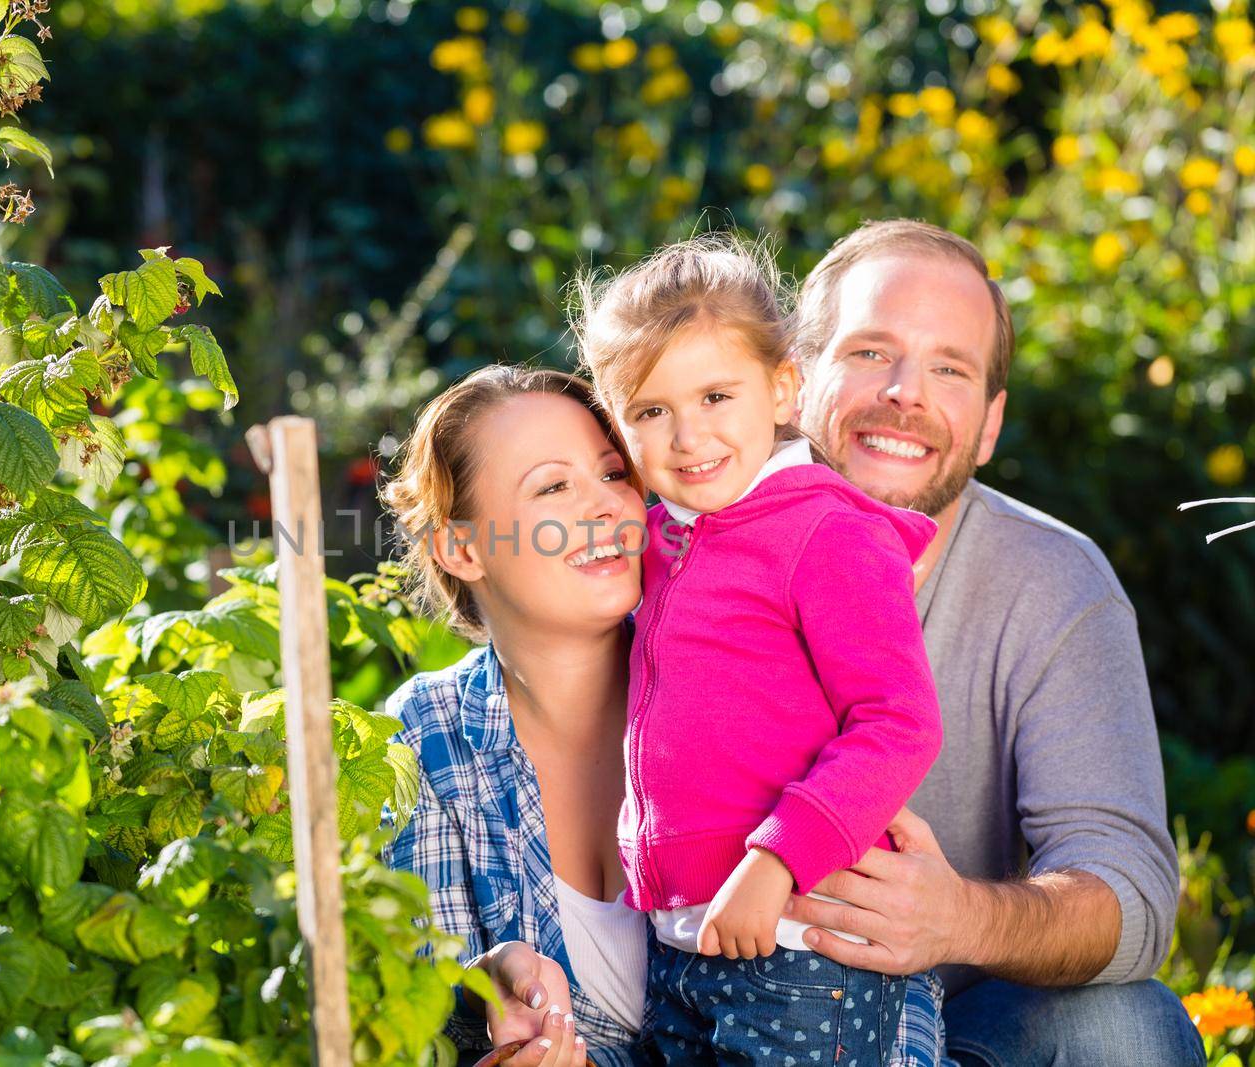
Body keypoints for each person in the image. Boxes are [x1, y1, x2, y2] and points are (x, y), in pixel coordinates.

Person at [786, 219, 1204, 1067]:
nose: (906, 392)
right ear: (794, 380)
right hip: (699, 1017)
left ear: (988, 425)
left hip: (947, 1035)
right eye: (871, 351)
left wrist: (953, 917)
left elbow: (1128, 889)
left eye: (950, 368)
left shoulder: (1053, 584)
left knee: (1127, 1028)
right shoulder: (687, 536)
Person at [573, 235, 945, 1066]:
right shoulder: (670, 535)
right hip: (682, 946)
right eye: (650, 410)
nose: (686, 434)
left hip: (801, 946)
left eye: (714, 395)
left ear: (783, 387)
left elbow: (900, 723)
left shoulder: (828, 534)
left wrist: (777, 861)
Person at [380, 365, 652, 1067]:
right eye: (554, 486)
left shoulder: (733, 681)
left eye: (614, 473)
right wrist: (479, 989)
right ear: (462, 548)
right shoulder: (425, 732)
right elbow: (420, 1015)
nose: (606, 508)